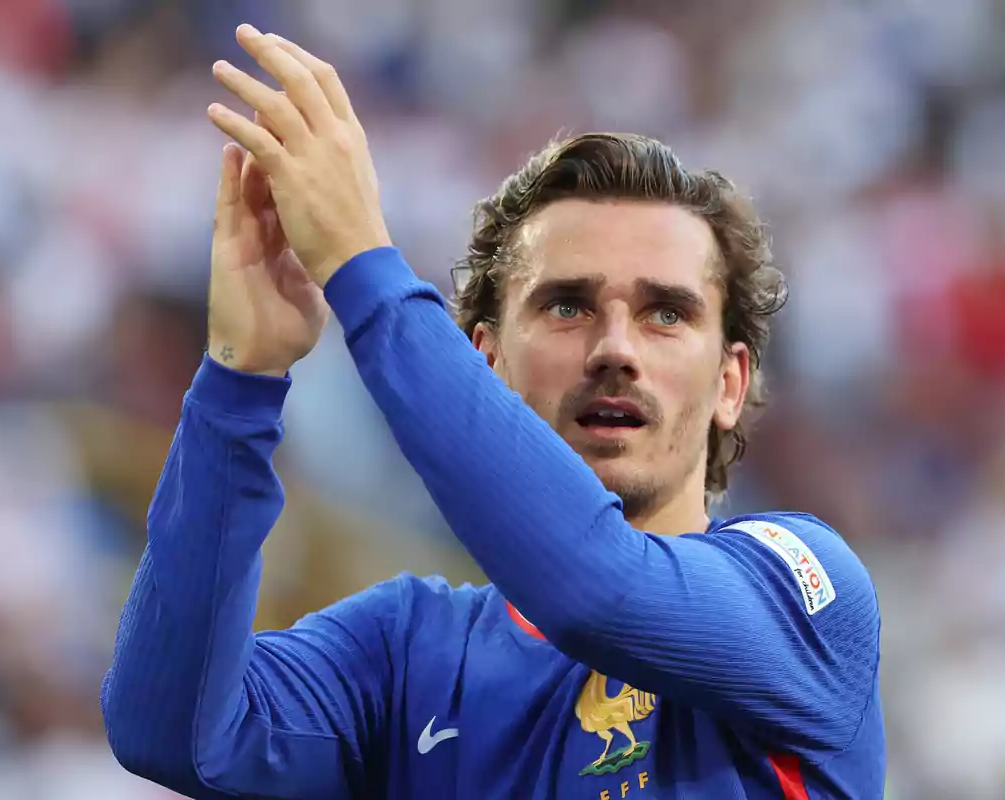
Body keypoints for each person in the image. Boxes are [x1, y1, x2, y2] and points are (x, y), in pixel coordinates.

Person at [101, 23, 885, 800]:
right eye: (568, 305)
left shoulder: (802, 593)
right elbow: (169, 732)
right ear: (484, 363)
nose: (615, 348)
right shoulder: (406, 651)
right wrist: (241, 381)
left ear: (730, 383)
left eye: (666, 314)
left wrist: (358, 266)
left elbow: (594, 588)